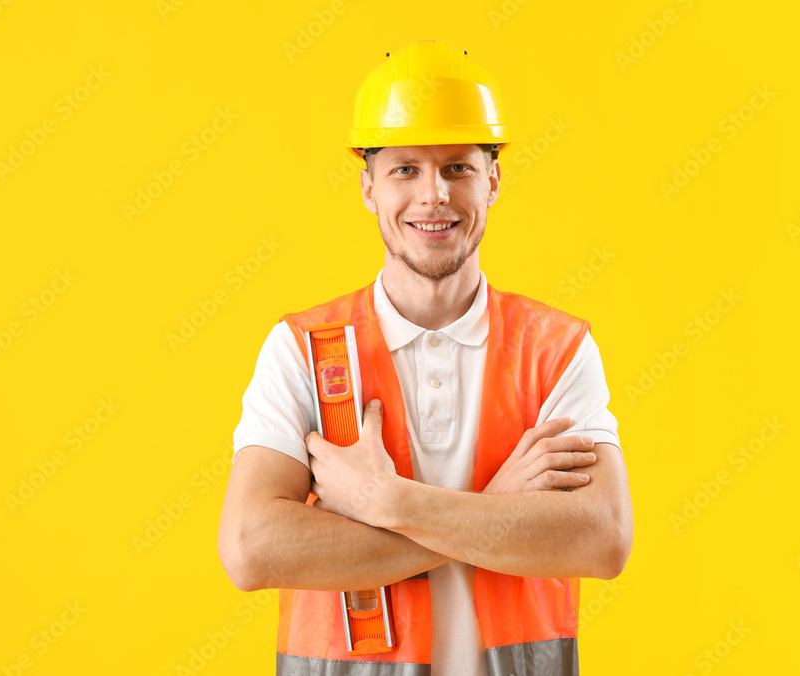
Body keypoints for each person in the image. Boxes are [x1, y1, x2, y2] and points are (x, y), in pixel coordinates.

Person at [218, 40, 633, 676]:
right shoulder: (302, 348)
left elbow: (602, 538)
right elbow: (250, 549)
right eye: (405, 169)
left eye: (457, 168)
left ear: (492, 180)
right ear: (368, 187)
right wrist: (494, 504)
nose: (433, 195)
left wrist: (389, 503)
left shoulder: (556, 349)